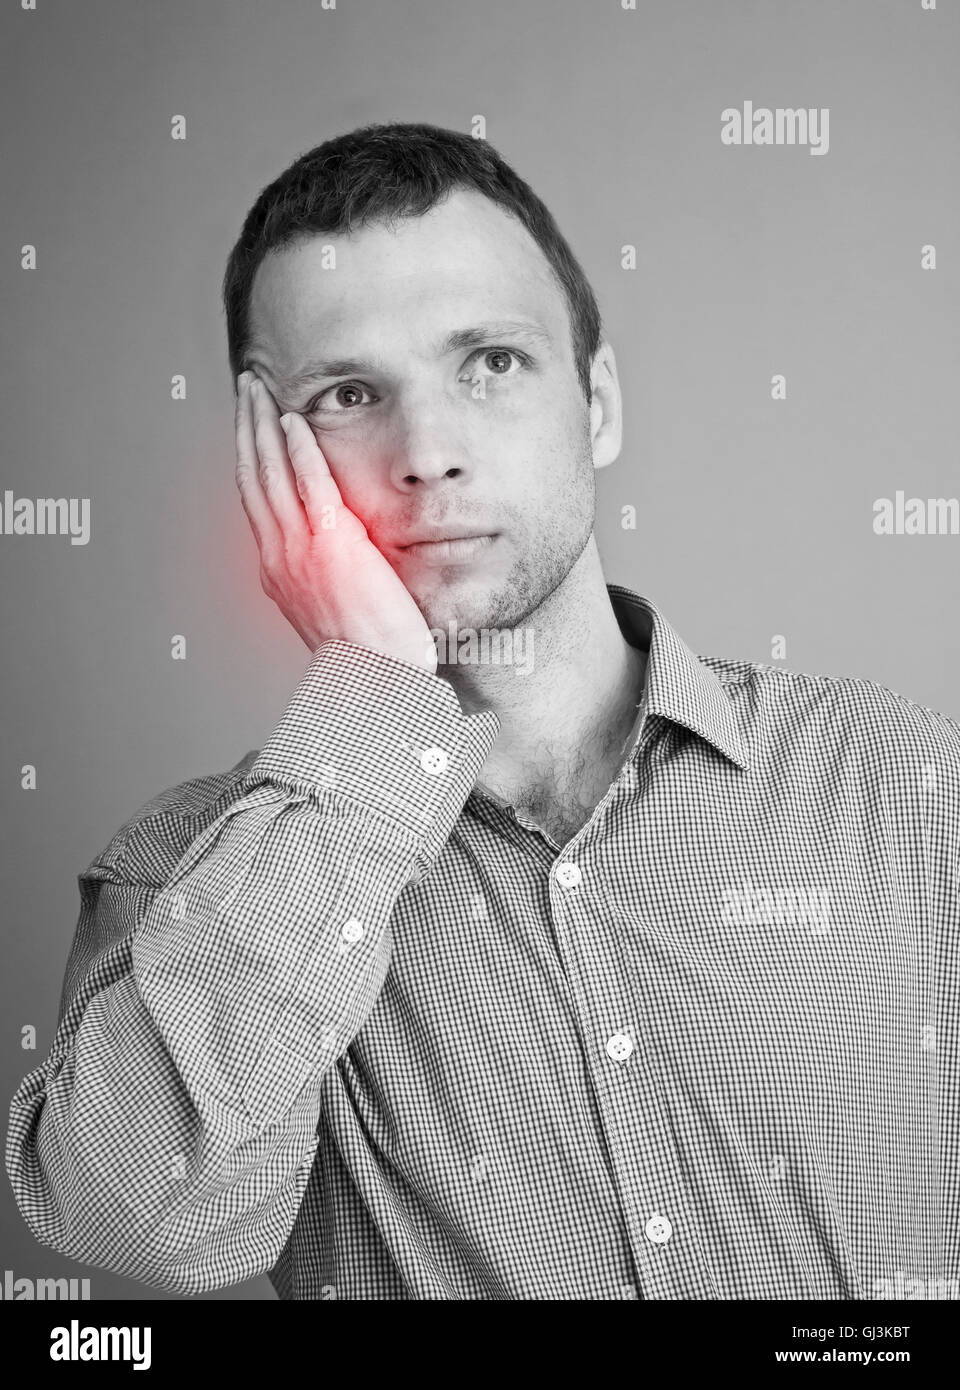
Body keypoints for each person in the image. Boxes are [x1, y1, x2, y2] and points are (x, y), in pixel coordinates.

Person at [7, 122, 960, 1301]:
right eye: (350, 394)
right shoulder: (181, 878)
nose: (428, 453)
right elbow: (134, 1221)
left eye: (491, 363)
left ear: (597, 402)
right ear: (267, 456)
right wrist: (373, 705)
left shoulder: (906, 783)